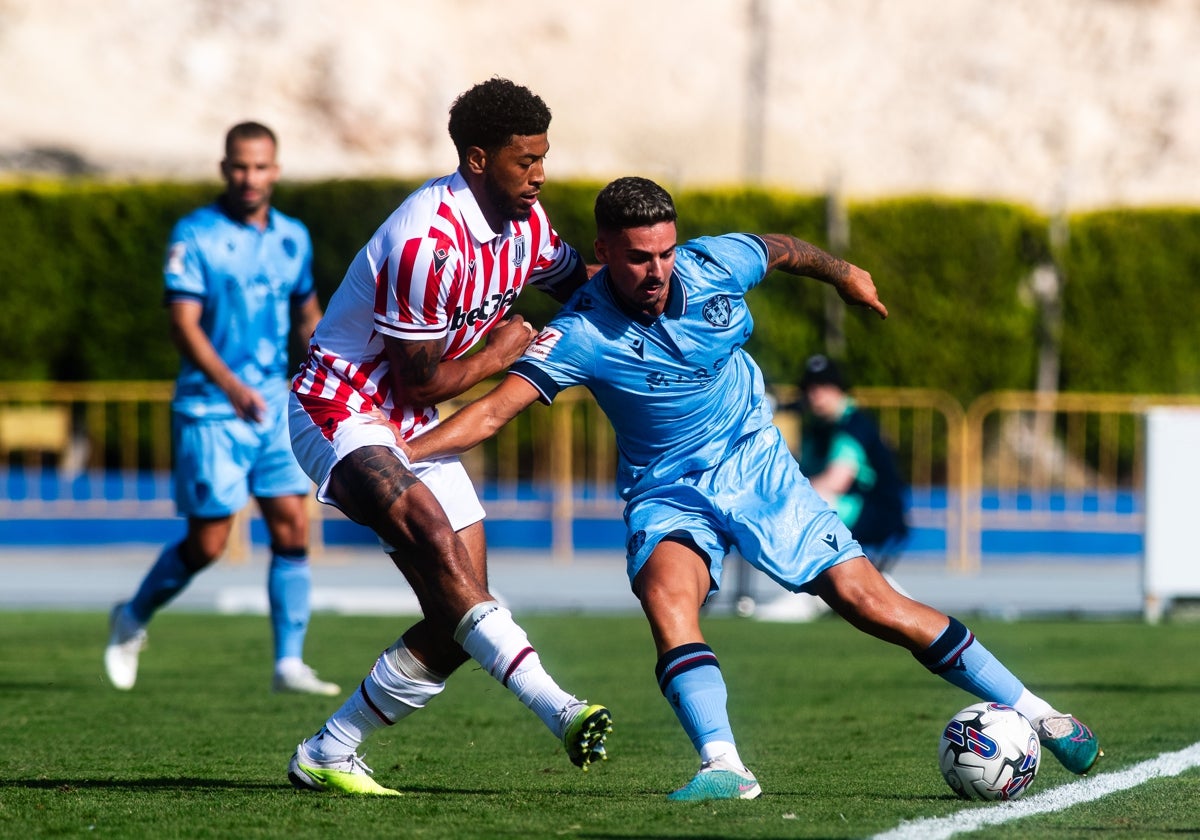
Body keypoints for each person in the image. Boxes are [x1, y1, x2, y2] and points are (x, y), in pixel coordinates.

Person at [404, 176, 1102, 801]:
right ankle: (725, 766)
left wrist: (845, 273)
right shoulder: (580, 330)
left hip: (758, 466)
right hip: (668, 489)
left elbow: (784, 249)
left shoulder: (716, 263)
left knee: (871, 604)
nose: (655, 270)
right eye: (639, 256)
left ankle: (1041, 713)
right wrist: (395, 454)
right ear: (604, 251)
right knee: (665, 597)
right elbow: (492, 413)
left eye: (664, 252)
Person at [284, 77, 609, 797]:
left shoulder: (526, 224)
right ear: (477, 159)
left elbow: (576, 282)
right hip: (339, 406)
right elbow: (420, 384)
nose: (540, 174)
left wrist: (658, 284)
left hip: (406, 424)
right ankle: (558, 707)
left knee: (460, 606)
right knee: (437, 546)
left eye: (543, 158)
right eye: (526, 161)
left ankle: (330, 751)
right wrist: (505, 353)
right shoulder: (424, 239)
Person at [104, 122, 337, 697]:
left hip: (273, 404)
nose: (249, 177)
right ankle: (131, 615)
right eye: (239, 166)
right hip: (212, 408)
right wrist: (232, 386)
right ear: (223, 168)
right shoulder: (196, 235)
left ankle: (288, 663)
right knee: (209, 542)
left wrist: (335, 364)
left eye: (260, 167)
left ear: (275, 171)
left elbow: (308, 314)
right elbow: (182, 325)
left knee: (291, 524)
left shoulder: (293, 237)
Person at [796, 354, 909, 565]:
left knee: (803, 505)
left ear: (839, 388)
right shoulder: (817, 427)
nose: (816, 394)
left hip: (877, 512)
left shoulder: (853, 425)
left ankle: (808, 587)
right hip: (854, 507)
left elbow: (835, 482)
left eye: (824, 385)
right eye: (810, 387)